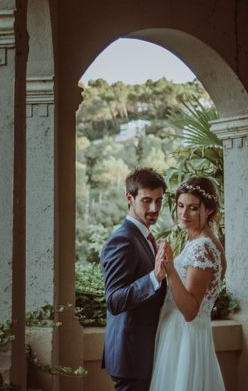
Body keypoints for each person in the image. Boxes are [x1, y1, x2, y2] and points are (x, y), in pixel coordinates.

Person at [149, 176, 226, 390]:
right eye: (181, 206)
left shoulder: (202, 247)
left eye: (193, 208)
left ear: (209, 209)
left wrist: (171, 269)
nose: (184, 214)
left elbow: (191, 310)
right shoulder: (202, 241)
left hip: (185, 340)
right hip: (183, 335)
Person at [101, 167, 167, 391]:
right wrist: (154, 277)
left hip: (145, 354)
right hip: (132, 357)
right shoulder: (122, 240)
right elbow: (114, 300)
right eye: (146, 200)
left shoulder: (145, 236)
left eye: (158, 201)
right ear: (129, 198)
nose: (154, 208)